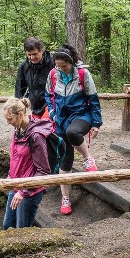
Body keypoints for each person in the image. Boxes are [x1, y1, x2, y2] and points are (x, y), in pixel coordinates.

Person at [45, 44, 103, 215]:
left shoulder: (83, 74)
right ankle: (65, 198)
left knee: (73, 132)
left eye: (64, 66)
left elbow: (93, 99)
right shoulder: (53, 74)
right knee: (65, 159)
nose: (61, 69)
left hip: (81, 115)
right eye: (58, 66)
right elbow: (48, 95)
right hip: (60, 117)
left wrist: (96, 123)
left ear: (72, 62)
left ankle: (87, 157)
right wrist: (53, 113)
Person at [2, 97, 51, 229]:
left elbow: (43, 171)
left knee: (22, 230)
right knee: (7, 226)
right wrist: (9, 179)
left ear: (21, 115)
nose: (7, 122)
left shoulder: (36, 136)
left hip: (30, 191)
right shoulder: (18, 130)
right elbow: (15, 159)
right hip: (16, 185)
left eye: (9, 119)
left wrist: (24, 192)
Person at [15, 37, 55, 119]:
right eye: (29, 55)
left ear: (42, 51)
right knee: (32, 128)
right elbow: (19, 89)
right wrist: (18, 106)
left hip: (52, 104)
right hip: (35, 106)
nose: (32, 57)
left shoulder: (53, 63)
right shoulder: (24, 67)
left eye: (35, 54)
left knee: (43, 126)